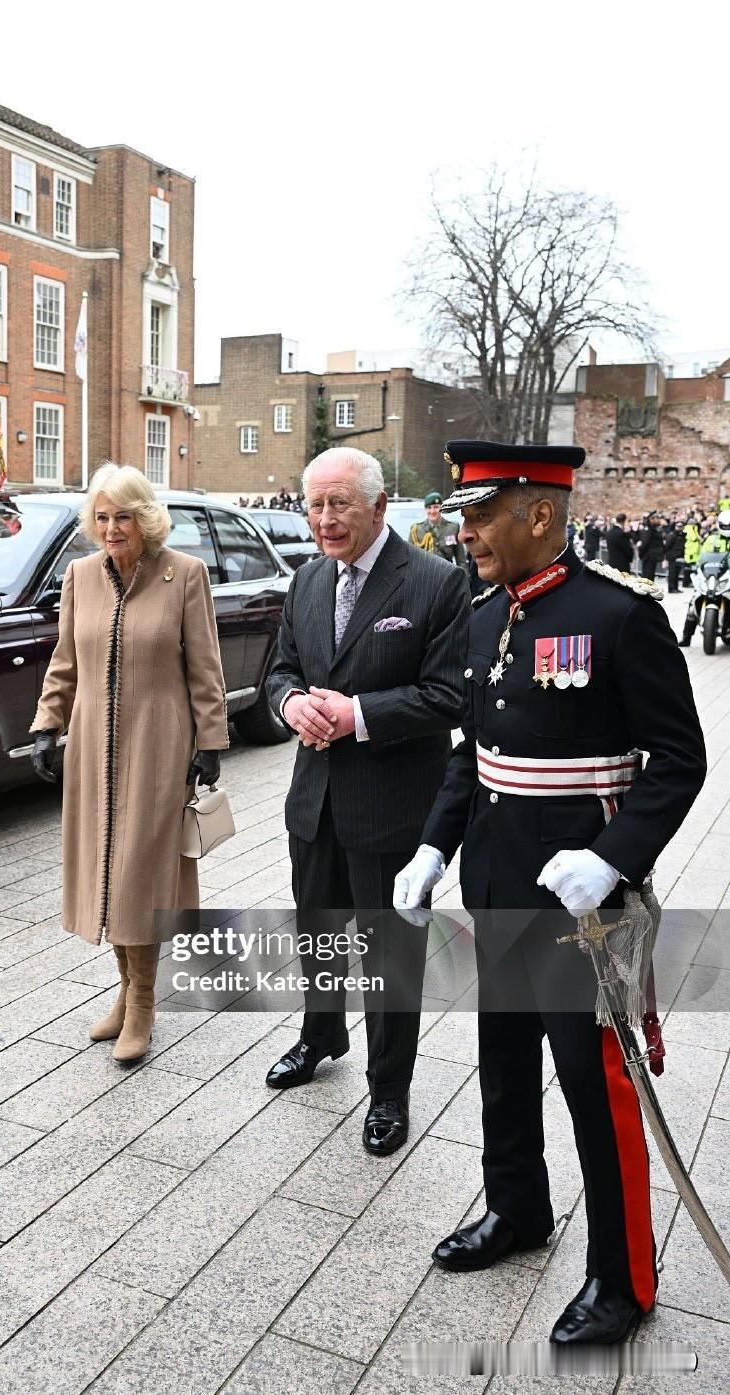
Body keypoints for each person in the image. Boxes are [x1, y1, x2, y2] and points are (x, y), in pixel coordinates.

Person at [394, 440, 706, 1344]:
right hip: (498, 878)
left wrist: (611, 856)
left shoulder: (619, 616)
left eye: (483, 513)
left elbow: (680, 761)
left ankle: (624, 1277)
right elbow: (474, 753)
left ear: (540, 513)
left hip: (580, 904)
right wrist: (431, 848)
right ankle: (517, 1208)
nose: (467, 531)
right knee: (502, 1060)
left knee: (592, 1085)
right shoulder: (488, 614)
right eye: (464, 515)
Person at [264, 447, 469, 1156]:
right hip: (314, 802)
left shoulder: (438, 584)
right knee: (317, 936)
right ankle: (321, 1033)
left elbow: (450, 695)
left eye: (339, 504)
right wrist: (291, 703)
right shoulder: (306, 581)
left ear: (380, 506)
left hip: (393, 808)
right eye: (315, 505)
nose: (325, 519)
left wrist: (358, 713)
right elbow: (281, 671)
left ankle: (389, 1089)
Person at [29, 463, 228, 1062]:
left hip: (158, 744)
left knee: (141, 871)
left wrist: (210, 740)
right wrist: (47, 724)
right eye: (103, 517)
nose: (112, 528)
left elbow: (205, 665)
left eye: (124, 516)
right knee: (104, 872)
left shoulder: (183, 575)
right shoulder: (80, 577)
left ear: (146, 519)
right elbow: (66, 661)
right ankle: (124, 989)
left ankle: (143, 1000)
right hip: (92, 746)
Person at [678, 509, 730, 646]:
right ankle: (686, 637)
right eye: (725, 526)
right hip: (713, 576)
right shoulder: (712, 539)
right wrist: (695, 565)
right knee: (693, 602)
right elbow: (703, 556)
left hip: (728, 577)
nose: (727, 529)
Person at [409, 490, 465, 564]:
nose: (432, 511)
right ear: (425, 509)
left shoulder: (453, 528)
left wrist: (464, 575)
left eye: (436, 507)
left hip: (447, 573)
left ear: (441, 508)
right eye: (429, 508)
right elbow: (410, 558)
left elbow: (461, 560)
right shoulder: (416, 530)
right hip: (424, 574)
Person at [638, 512, 664, 582]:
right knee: (647, 578)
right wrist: (641, 555)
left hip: (652, 557)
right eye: (655, 518)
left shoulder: (654, 529)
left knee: (650, 577)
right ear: (651, 520)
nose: (658, 520)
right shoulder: (648, 530)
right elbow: (644, 544)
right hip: (648, 557)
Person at [663, 517, 686, 593]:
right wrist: (667, 556)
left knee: (677, 573)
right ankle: (671, 588)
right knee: (672, 573)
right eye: (678, 526)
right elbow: (667, 546)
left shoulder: (683, 535)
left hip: (679, 557)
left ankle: (676, 588)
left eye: (681, 526)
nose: (680, 528)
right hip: (672, 557)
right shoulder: (672, 535)